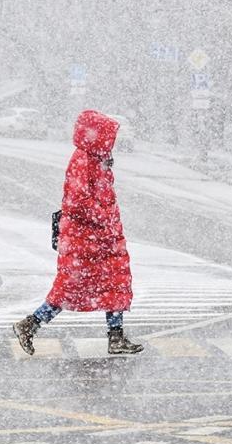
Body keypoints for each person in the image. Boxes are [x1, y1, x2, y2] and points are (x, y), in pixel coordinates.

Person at [13, 109, 141, 356]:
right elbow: (77, 201)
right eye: (109, 136)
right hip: (86, 239)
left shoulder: (97, 159)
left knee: (115, 282)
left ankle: (116, 337)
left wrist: (107, 224)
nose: (112, 142)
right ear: (97, 136)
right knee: (71, 287)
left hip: (101, 237)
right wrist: (104, 218)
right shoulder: (83, 160)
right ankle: (30, 324)